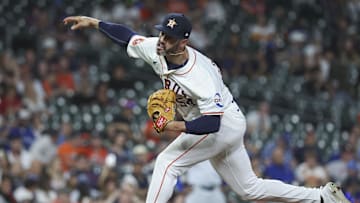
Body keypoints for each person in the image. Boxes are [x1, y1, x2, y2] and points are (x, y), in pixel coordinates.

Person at [63, 13, 350, 203]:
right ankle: (321, 197)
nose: (163, 40)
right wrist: (95, 23)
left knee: (167, 163)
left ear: (184, 41)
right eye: (163, 33)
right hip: (223, 122)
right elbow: (127, 36)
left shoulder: (198, 75)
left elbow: (212, 123)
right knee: (249, 189)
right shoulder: (157, 48)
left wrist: (173, 126)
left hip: (221, 123)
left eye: (170, 37)